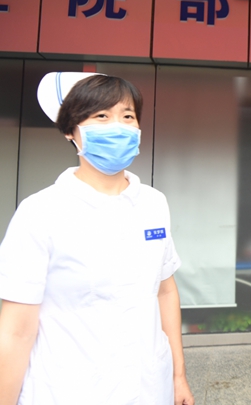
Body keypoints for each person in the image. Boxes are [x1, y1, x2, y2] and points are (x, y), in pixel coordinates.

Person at [0, 72, 194, 405]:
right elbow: (16, 330)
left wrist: (178, 377)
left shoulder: (153, 203)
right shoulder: (40, 212)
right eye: (101, 116)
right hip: (67, 392)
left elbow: (164, 291)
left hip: (149, 389)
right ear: (70, 131)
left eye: (127, 116)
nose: (118, 126)